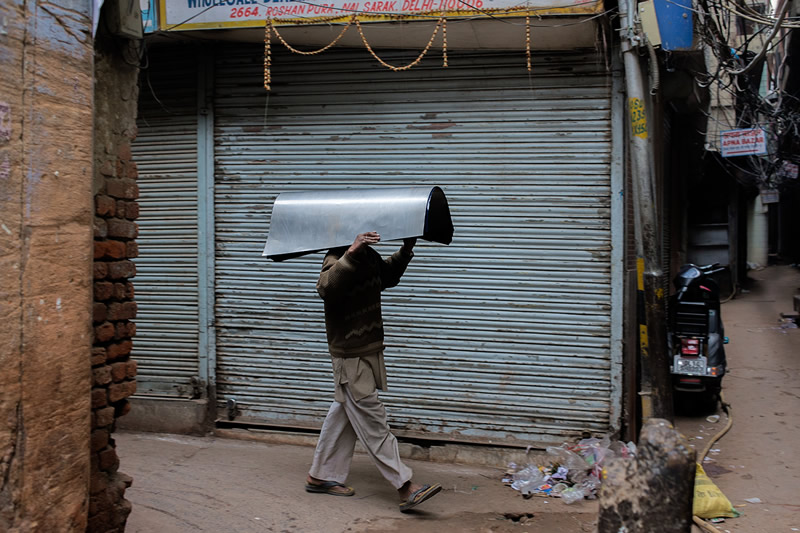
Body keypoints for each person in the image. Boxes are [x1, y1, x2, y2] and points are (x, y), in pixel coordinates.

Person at [305, 231, 442, 512]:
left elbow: (386, 277)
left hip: (367, 348)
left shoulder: (369, 256)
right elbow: (326, 288)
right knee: (372, 418)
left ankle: (320, 476)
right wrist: (351, 252)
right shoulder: (337, 256)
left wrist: (405, 250)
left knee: (343, 414)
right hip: (349, 355)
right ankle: (405, 486)